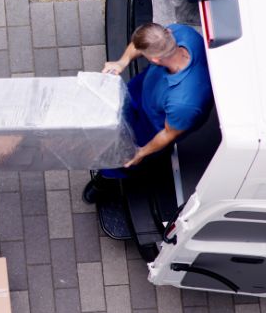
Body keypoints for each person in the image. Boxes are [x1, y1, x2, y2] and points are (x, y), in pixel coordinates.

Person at [83, 22, 214, 203]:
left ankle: (107, 179)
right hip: (145, 90)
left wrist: (141, 152)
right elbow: (139, 44)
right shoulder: (180, 33)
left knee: (124, 155)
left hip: (153, 125)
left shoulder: (185, 102)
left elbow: (168, 134)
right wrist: (123, 62)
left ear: (155, 61)